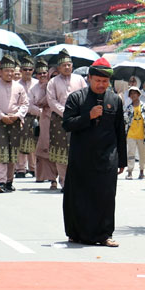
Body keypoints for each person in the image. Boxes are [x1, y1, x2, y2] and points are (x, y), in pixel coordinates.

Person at [62, 57, 126, 247]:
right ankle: (76, 233)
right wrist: (87, 116)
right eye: (97, 80)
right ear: (89, 78)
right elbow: (67, 124)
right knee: (79, 196)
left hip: (107, 157)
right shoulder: (76, 98)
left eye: (105, 81)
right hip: (81, 156)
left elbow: (120, 131)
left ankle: (104, 234)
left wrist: (121, 160)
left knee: (106, 196)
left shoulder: (115, 100)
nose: (101, 85)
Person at [0, 54, 29, 193]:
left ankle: (9, 181)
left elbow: (25, 104)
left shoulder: (19, 87)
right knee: (1, 152)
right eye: (7, 71)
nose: (10, 73)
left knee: (13, 152)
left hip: (15, 122)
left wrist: (17, 115)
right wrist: (1, 116)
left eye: (12, 71)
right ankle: (1, 182)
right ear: (1, 72)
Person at [46, 49, 87, 190]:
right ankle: (64, 181)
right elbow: (51, 101)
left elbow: (86, 97)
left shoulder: (80, 79)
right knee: (60, 151)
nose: (67, 67)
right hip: (60, 120)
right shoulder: (53, 82)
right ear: (59, 68)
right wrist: (66, 113)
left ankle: (76, 181)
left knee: (77, 150)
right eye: (64, 65)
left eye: (69, 65)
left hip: (78, 119)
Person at [28, 59, 58, 188]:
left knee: (61, 147)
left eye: (45, 73)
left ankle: (62, 177)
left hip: (61, 119)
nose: (43, 76)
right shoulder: (36, 88)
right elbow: (30, 104)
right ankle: (52, 179)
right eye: (40, 73)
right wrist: (41, 109)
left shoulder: (59, 86)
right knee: (47, 148)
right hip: (45, 119)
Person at [16, 55, 39, 178]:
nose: (27, 72)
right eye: (25, 69)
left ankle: (33, 167)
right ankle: (20, 168)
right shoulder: (16, 84)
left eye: (30, 69)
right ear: (20, 71)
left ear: (33, 70)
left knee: (34, 143)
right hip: (21, 116)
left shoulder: (37, 84)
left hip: (36, 117)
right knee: (20, 142)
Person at [124, 86, 145, 179]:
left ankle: (142, 171)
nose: (133, 95)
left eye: (135, 93)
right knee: (130, 153)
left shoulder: (144, 106)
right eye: (131, 93)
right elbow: (125, 119)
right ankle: (130, 171)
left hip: (142, 134)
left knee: (143, 153)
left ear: (139, 94)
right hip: (131, 133)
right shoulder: (129, 107)